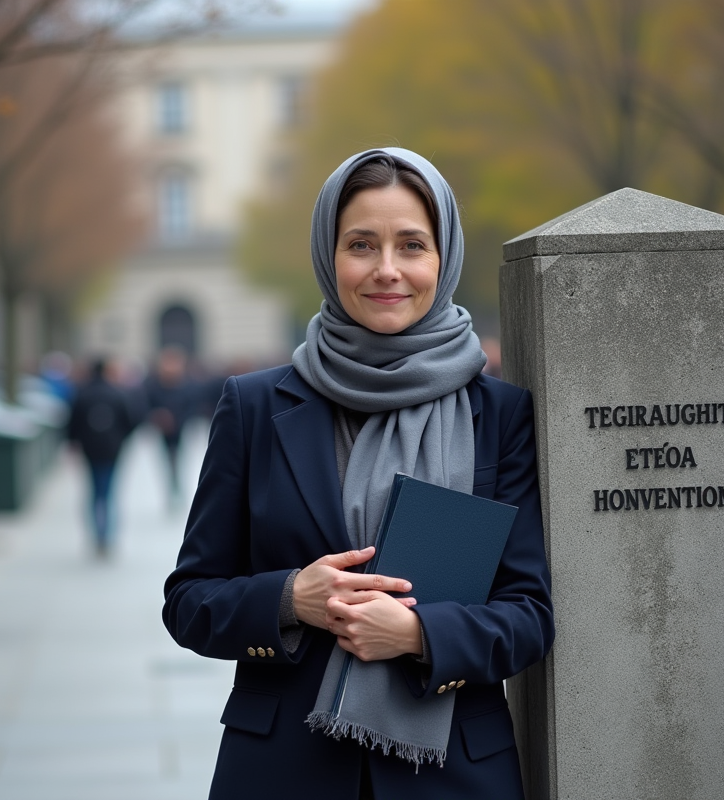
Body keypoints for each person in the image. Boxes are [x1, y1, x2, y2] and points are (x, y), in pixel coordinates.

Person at [163, 149, 554, 799]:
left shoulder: (500, 415)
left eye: (412, 245)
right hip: (283, 771)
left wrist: (420, 634)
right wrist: (291, 599)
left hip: (453, 775)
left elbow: (529, 616)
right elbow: (190, 602)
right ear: (328, 254)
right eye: (361, 245)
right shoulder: (257, 407)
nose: (387, 270)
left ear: (444, 257)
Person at [67, 358, 138, 558]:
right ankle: (107, 536)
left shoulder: (82, 393)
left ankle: (97, 535)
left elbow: (72, 423)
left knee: (94, 491)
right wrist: (121, 439)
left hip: (89, 449)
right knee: (109, 492)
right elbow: (130, 421)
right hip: (112, 449)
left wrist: (73, 443)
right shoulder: (117, 393)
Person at [143, 346, 197, 510]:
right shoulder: (154, 385)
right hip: (164, 430)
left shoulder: (186, 384)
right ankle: (172, 491)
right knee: (167, 462)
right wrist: (158, 417)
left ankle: (177, 490)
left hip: (179, 429)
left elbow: (192, 407)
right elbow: (147, 404)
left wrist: (179, 421)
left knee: (178, 461)